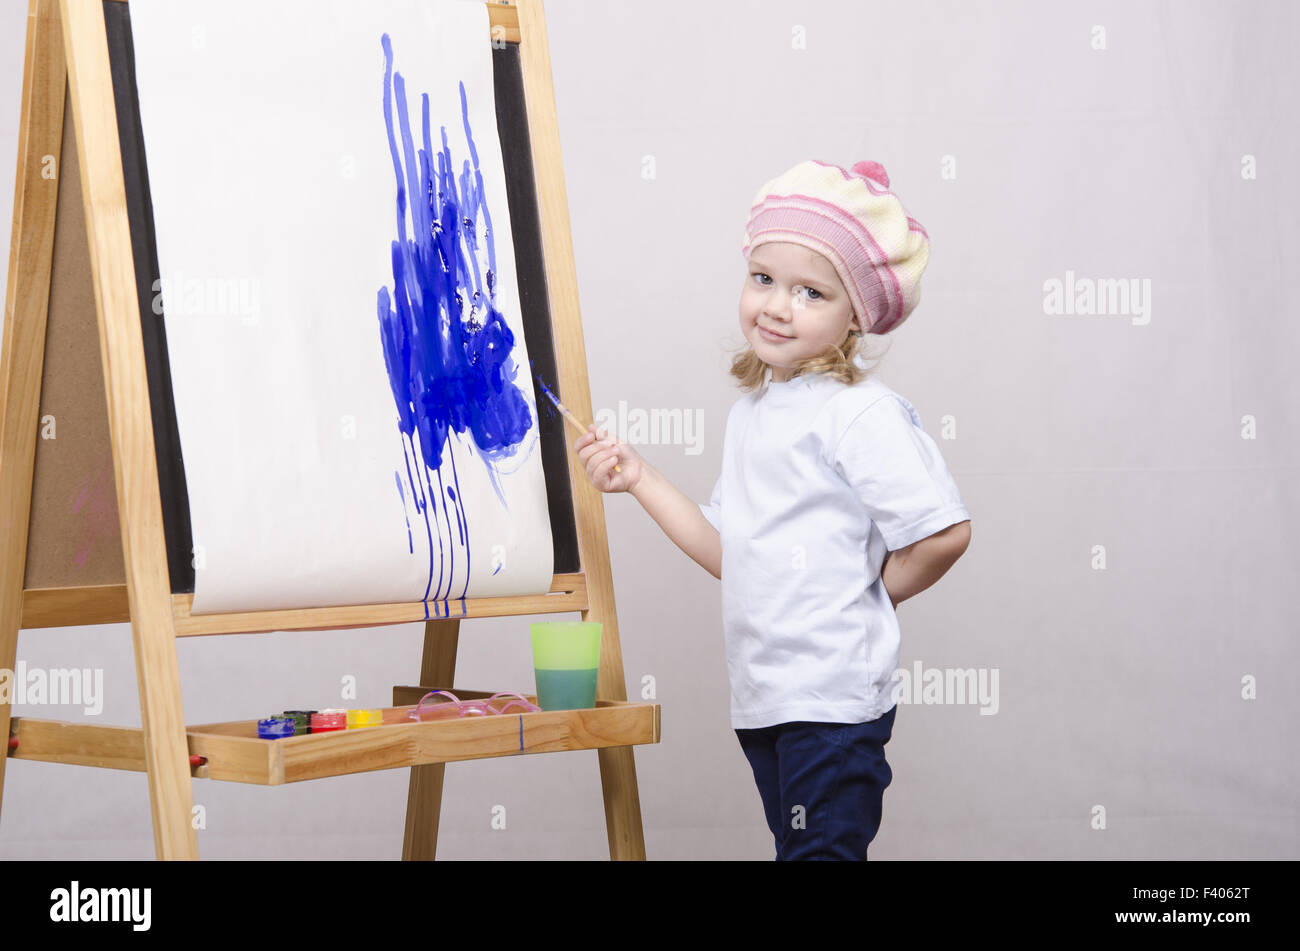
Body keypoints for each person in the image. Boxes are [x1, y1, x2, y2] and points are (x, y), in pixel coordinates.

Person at [574, 159, 972, 860]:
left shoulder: (858, 413)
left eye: (810, 291)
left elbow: (943, 533)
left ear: (856, 317)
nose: (777, 305)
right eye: (764, 278)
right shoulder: (755, 414)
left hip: (831, 702)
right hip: (767, 697)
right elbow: (731, 552)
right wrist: (639, 477)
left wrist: (868, 594)